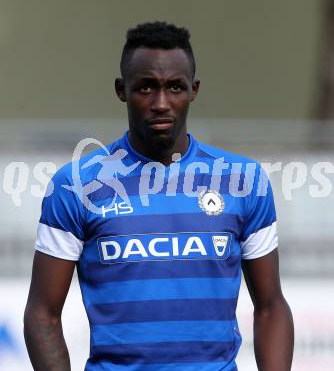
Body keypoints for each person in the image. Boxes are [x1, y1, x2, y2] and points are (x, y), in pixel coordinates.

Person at [24, 21, 294, 370]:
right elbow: (42, 315)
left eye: (175, 87)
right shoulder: (76, 186)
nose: (161, 103)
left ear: (193, 90)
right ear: (122, 90)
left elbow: (271, 305)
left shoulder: (244, 181)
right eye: (146, 87)